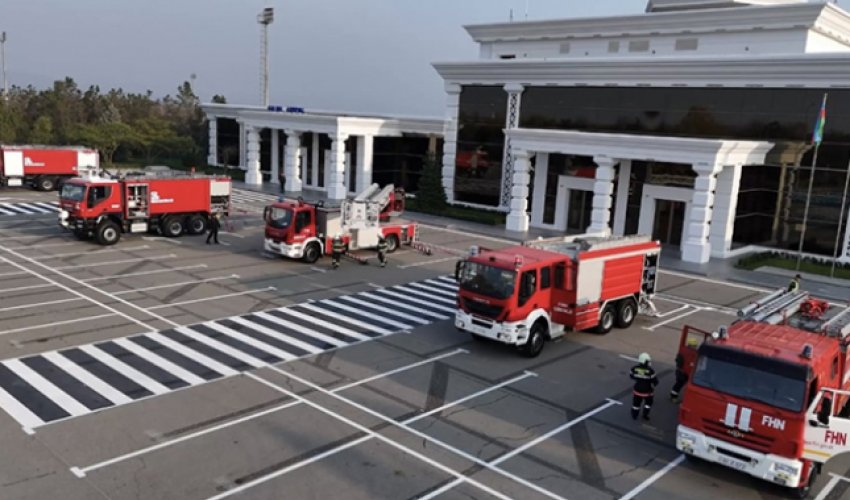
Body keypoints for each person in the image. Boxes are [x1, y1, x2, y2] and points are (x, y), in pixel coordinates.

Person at [630, 352, 659, 421]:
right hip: (647, 392)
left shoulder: (634, 368)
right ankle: (645, 415)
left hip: (637, 391)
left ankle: (634, 415)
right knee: (648, 404)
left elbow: (631, 376)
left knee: (636, 405)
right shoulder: (650, 371)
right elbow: (655, 381)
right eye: (648, 361)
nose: (649, 362)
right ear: (645, 361)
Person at [670, 338, 698, 403]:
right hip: (684, 372)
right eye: (695, 346)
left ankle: (673, 396)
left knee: (679, 384)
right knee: (679, 384)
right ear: (691, 345)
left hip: (681, 371)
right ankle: (673, 397)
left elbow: (677, 360)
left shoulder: (683, 350)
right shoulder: (694, 353)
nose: (695, 347)